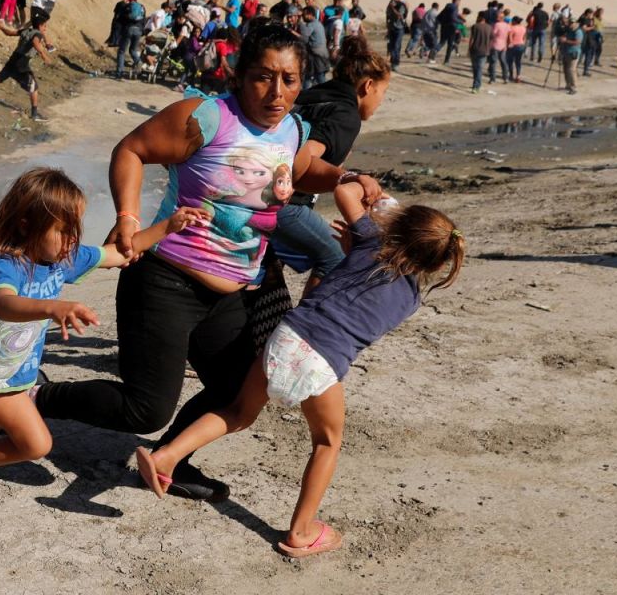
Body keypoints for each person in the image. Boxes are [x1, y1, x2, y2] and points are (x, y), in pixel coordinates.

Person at [33, 25, 378, 503]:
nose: (277, 92)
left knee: (239, 393)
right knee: (144, 409)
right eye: (263, 77)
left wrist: (345, 174)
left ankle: (171, 460)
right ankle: (37, 398)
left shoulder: (293, 128)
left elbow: (299, 172)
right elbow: (131, 150)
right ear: (240, 75)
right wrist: (128, 218)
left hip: (231, 290)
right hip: (164, 279)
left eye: (290, 79)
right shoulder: (207, 117)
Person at [0, 166, 210, 579]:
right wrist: (53, 307)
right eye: (62, 230)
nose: (72, 241)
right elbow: (4, 305)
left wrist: (170, 225)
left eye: (76, 230)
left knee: (35, 445)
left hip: (10, 379)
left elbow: (120, 253)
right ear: (26, 225)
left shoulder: (63, 260)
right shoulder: (7, 265)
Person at [137, 191, 463, 559]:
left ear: (398, 227)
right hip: (323, 361)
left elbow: (346, 193)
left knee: (238, 413)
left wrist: (372, 198)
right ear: (437, 265)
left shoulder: (370, 240)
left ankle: (166, 457)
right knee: (326, 443)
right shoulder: (410, 299)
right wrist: (367, 237)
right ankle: (301, 531)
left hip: (287, 335)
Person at [273, 36, 391, 293]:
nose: (381, 101)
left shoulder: (314, 95)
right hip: (283, 203)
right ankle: (307, 326)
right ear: (368, 86)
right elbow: (303, 157)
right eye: (383, 92)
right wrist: (347, 177)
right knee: (337, 255)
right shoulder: (346, 115)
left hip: (254, 189)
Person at [0, 8, 52, 121]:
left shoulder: (25, 31)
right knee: (33, 87)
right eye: (45, 26)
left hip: (13, 59)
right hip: (21, 64)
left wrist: (1, 26)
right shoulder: (38, 34)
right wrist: (44, 55)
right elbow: (35, 42)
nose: (45, 29)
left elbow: (9, 32)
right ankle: (34, 115)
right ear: (40, 26)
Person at [115, 0, 146, 79]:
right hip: (138, 31)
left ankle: (119, 73)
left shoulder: (127, 6)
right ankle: (138, 61)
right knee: (132, 50)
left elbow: (120, 19)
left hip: (128, 30)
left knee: (121, 51)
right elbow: (144, 20)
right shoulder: (142, 7)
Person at [300, 7, 328, 88]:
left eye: (304, 15)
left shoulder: (311, 24)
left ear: (310, 15)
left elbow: (304, 38)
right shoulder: (318, 23)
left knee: (319, 77)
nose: (302, 16)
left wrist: (300, 24)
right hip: (320, 54)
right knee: (310, 76)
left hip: (316, 55)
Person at [467, 10, 491, 93]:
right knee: (479, 69)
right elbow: (491, 39)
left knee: (475, 68)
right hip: (484, 51)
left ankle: (476, 85)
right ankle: (476, 85)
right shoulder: (489, 27)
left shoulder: (475, 26)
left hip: (475, 50)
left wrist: (469, 50)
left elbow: (472, 39)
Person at [558, 16, 582, 95]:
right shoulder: (569, 30)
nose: (570, 24)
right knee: (566, 69)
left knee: (572, 70)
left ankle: (574, 87)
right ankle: (568, 84)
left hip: (573, 52)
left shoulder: (578, 32)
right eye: (570, 23)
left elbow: (577, 42)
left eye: (572, 23)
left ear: (576, 23)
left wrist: (566, 41)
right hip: (566, 51)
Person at [385, 0, 408, 70]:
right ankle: (393, 62)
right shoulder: (391, 3)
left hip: (400, 27)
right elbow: (387, 14)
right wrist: (387, 25)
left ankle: (396, 63)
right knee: (391, 46)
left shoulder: (403, 3)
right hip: (391, 27)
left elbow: (399, 15)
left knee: (397, 46)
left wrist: (393, 7)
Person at [488, 11, 510, 83]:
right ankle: (505, 78)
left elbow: (493, 34)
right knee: (503, 62)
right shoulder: (507, 25)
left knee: (494, 62)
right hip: (503, 45)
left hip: (496, 44)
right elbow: (508, 35)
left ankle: (493, 78)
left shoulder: (497, 24)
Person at [505, 15, 526, 83]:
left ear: (514, 21)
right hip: (521, 45)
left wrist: (507, 45)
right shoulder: (523, 28)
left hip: (513, 45)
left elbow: (509, 38)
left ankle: (511, 75)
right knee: (518, 62)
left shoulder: (512, 28)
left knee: (510, 61)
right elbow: (524, 37)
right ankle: (518, 75)